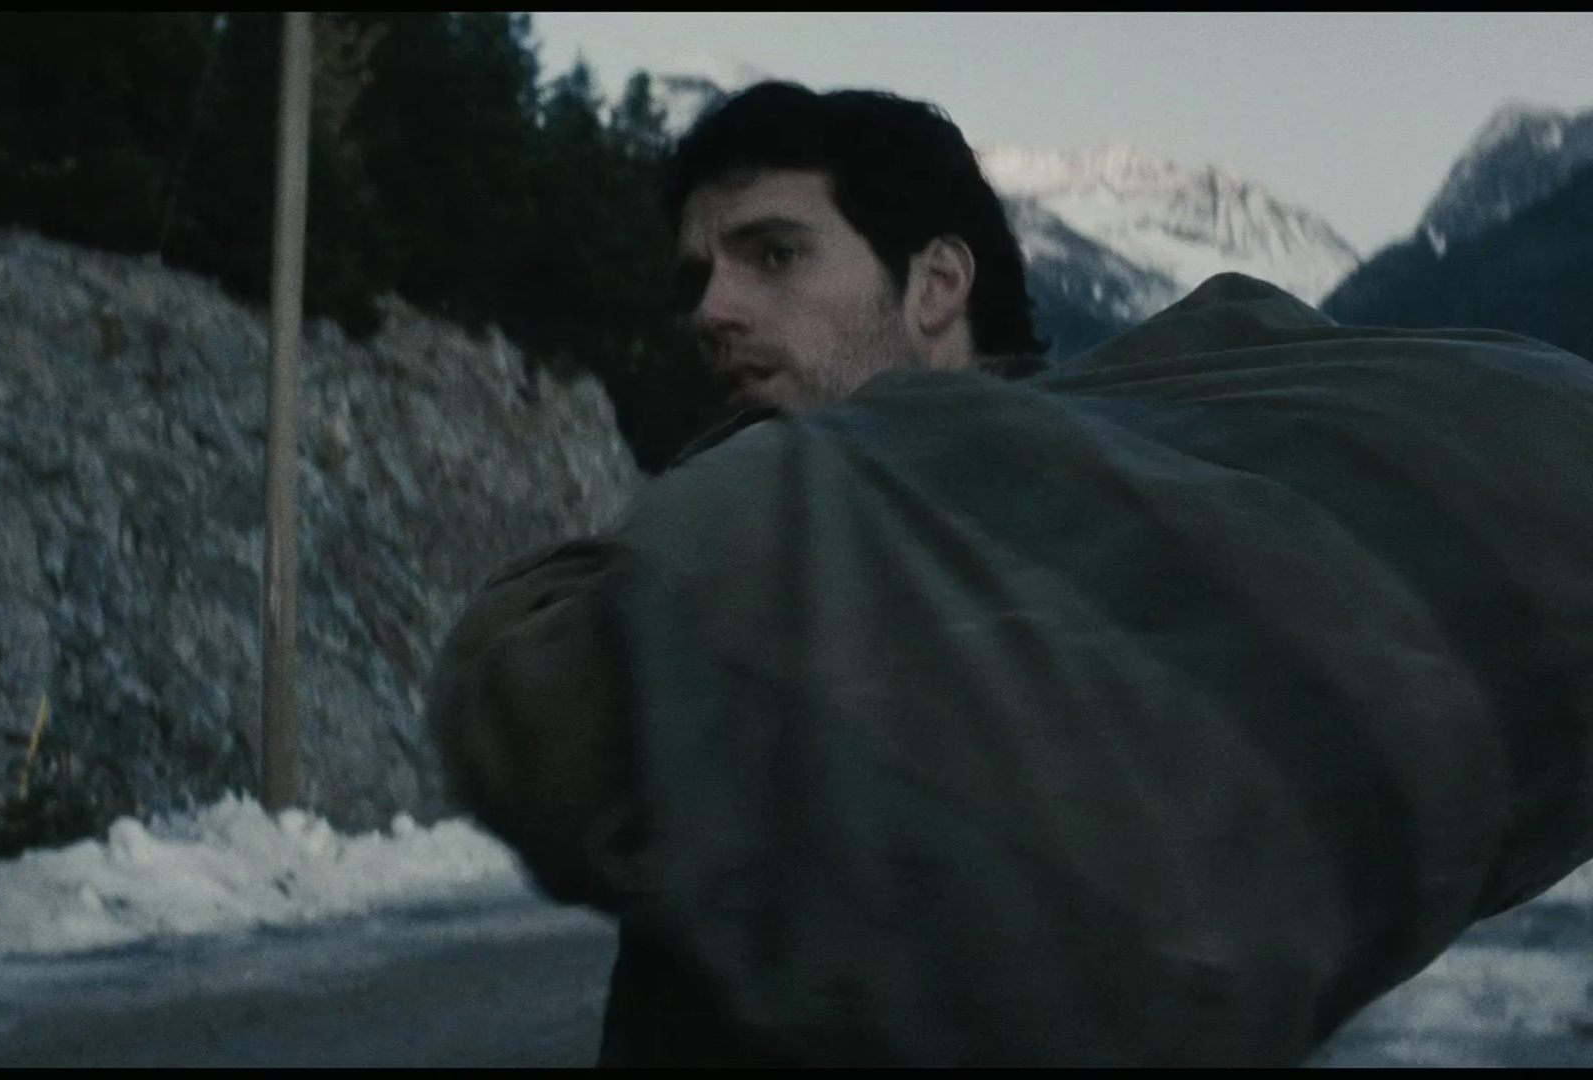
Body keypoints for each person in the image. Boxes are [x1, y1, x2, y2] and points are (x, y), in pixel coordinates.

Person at [424, 81, 1593, 1067]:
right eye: (698, 278)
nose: (713, 311)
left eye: (774, 255)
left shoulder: (1090, 552)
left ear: (937, 284)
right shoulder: (763, 551)